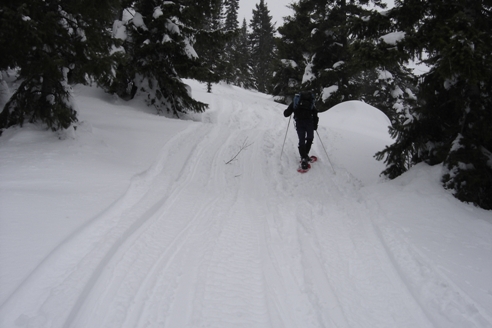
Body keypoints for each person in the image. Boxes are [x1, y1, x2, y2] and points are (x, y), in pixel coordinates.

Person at [283, 91, 319, 170]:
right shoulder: (310, 101)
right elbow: (315, 113)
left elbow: (286, 114)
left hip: (299, 123)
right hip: (309, 123)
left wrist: (288, 111)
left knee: (301, 140)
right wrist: (315, 125)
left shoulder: (296, 101)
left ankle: (304, 157)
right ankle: (305, 156)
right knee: (310, 139)